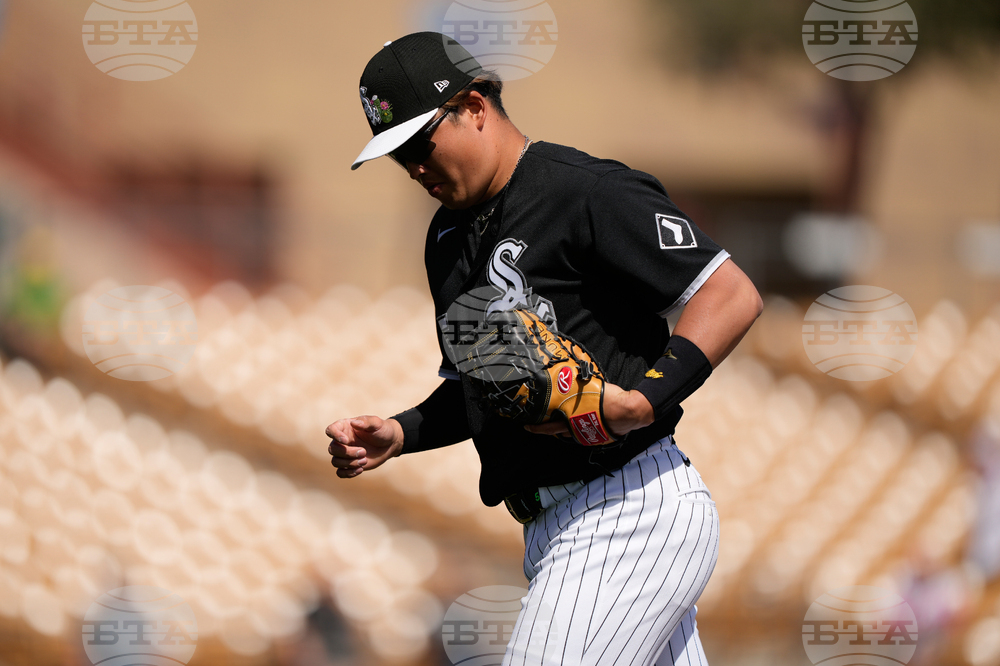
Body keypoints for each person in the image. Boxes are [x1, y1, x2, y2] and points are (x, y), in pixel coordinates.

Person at [328, 32, 763, 665]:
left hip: (626, 512)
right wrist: (402, 432)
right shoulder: (446, 239)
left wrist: (643, 400)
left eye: (420, 143)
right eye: (399, 156)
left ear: (475, 107)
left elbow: (730, 293)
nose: (415, 167)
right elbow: (479, 384)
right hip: (553, 528)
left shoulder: (582, 189)